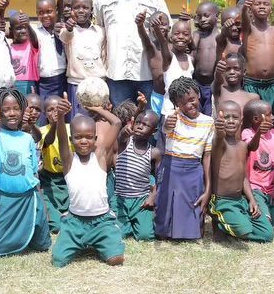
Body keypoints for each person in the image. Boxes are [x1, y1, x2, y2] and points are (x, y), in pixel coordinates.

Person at [51, 94, 124, 267]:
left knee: (115, 260)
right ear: (71, 140)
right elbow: (61, 136)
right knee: (58, 261)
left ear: (95, 139)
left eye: (89, 137)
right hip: (75, 222)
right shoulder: (69, 160)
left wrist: (97, 109)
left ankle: (100, 239)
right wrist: (61, 116)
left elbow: (117, 123)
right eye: (78, 137)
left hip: (102, 221)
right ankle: (79, 239)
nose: (84, 141)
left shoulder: (100, 157)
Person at [93, 0, 171, 107]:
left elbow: (166, 30)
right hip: (116, 76)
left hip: (147, 76)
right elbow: (96, 33)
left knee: (148, 124)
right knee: (121, 123)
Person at [0, 88, 51, 257]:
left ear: (23, 110)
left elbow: (34, 173)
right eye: (6, 110)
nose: (12, 113)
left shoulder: (27, 138)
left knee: (42, 244)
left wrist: (41, 201)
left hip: (30, 196)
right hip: (7, 199)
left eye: (16, 108)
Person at [155, 77, 214, 240]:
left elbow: (207, 156)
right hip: (171, 169)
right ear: (176, 105)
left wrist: (208, 188)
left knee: (192, 233)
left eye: (192, 99)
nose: (189, 105)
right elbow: (166, 129)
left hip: (194, 171)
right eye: (182, 103)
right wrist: (167, 125)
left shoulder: (208, 122)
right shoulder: (172, 118)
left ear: (199, 95)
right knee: (163, 230)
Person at [207, 101, 274, 242]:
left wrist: (251, 199)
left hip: (240, 200)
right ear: (218, 120)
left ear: (241, 120)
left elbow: (243, 177)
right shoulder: (219, 144)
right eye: (226, 117)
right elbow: (218, 138)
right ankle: (221, 223)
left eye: (235, 117)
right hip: (222, 201)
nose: (230, 121)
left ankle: (235, 223)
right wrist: (219, 130)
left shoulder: (243, 146)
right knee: (242, 229)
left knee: (267, 234)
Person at [240, 0, 274, 136]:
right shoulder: (248, 30)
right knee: (251, 125)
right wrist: (244, 9)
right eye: (257, 3)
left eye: (266, 4)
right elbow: (244, 21)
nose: (262, 6)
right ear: (251, 8)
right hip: (251, 85)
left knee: (273, 123)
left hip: (271, 87)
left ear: (271, 9)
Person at [241, 100, 274, 233]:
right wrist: (259, 133)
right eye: (268, 114)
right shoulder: (247, 133)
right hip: (255, 188)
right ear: (257, 119)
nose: (273, 117)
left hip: (272, 189)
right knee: (265, 223)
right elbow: (250, 146)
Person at [58, 0, 107, 120]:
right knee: (78, 121)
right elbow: (64, 38)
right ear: (71, 10)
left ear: (91, 10)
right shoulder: (68, 30)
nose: (81, 11)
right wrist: (69, 29)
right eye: (76, 7)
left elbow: (104, 56)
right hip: (77, 84)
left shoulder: (100, 31)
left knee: (98, 122)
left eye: (85, 7)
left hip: (99, 85)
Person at [114, 110, 161, 241]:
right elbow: (121, 137)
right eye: (138, 123)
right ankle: (126, 223)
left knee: (145, 236)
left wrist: (152, 197)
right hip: (120, 199)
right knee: (119, 234)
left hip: (141, 201)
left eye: (145, 125)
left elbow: (160, 178)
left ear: (154, 131)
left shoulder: (154, 153)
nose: (140, 126)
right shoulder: (125, 143)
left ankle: (138, 220)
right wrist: (124, 131)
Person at [37, 95, 73, 233]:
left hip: (68, 180)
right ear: (45, 113)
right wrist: (54, 125)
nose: (55, 113)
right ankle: (59, 217)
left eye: (58, 109)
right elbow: (47, 141)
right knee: (56, 225)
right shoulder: (41, 131)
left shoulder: (71, 129)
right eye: (50, 110)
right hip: (49, 181)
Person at [35, 0, 67, 124]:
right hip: (43, 83)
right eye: (41, 13)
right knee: (44, 118)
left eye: (49, 11)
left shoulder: (64, 30)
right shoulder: (35, 32)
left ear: (56, 12)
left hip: (61, 80)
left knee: (63, 116)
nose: (45, 16)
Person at [135, 10, 170, 115]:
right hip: (157, 97)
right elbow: (143, 37)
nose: (159, 27)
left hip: (173, 97)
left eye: (163, 24)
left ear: (170, 27)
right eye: (154, 25)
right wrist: (140, 25)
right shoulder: (151, 48)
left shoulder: (175, 47)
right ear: (149, 29)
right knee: (155, 125)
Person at [189, 1, 221, 116]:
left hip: (213, 85)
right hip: (196, 84)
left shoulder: (221, 37)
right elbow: (191, 54)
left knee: (210, 115)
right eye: (199, 16)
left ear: (217, 15)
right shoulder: (197, 35)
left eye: (206, 15)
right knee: (196, 115)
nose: (202, 19)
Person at [212, 52, 259, 118]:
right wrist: (218, 72)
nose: (232, 72)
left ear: (244, 72)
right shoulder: (219, 91)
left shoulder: (252, 97)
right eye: (228, 69)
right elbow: (217, 82)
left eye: (236, 69)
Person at [8, 11, 39, 97]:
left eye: (25, 27)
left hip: (29, 84)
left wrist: (28, 25)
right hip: (13, 85)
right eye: (18, 28)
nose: (23, 31)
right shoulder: (9, 47)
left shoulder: (32, 44)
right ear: (11, 30)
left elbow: (35, 39)